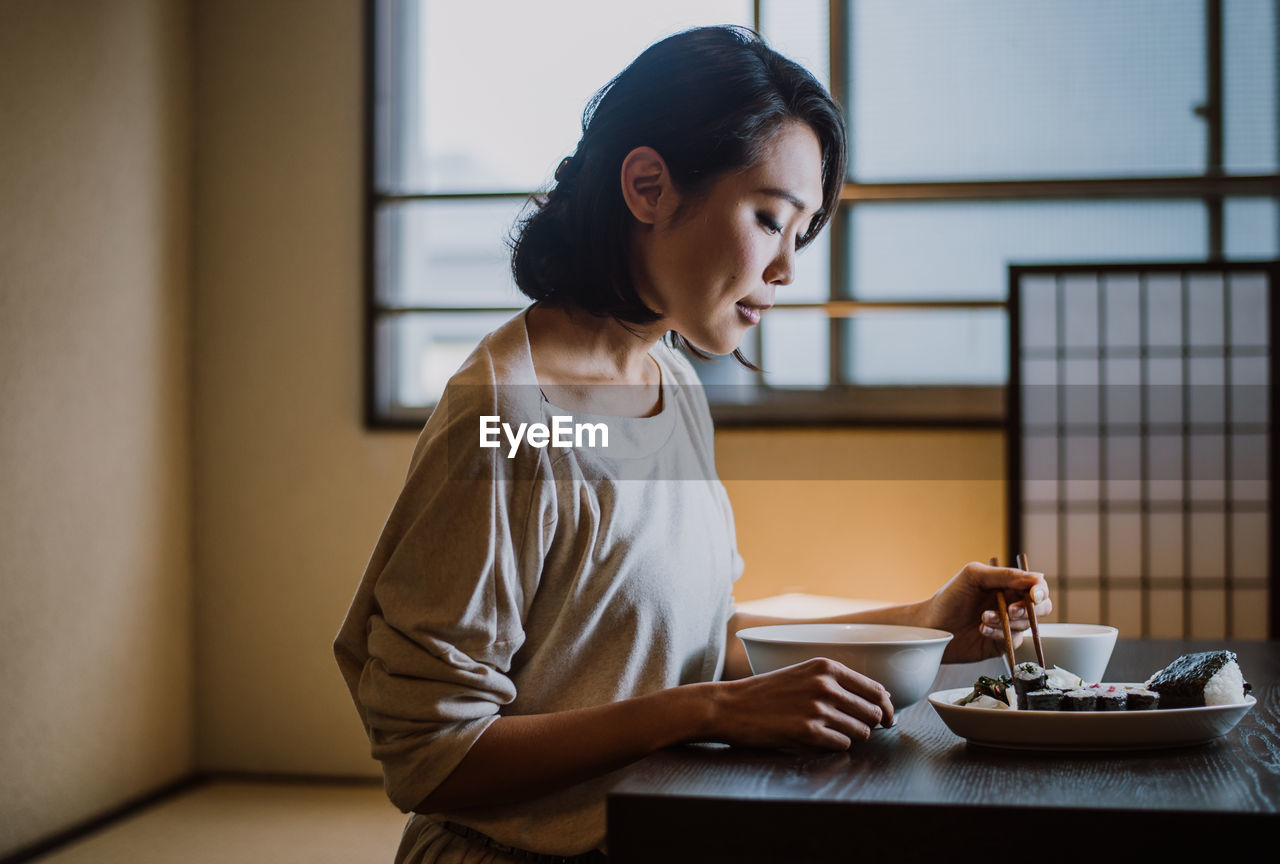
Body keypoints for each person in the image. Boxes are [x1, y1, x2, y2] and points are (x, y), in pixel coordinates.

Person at [335, 25, 1050, 864]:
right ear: (647, 187)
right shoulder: (502, 417)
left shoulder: (669, 383)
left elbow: (695, 642)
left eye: (802, 233)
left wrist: (922, 626)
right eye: (770, 219)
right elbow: (432, 756)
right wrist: (704, 711)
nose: (787, 269)